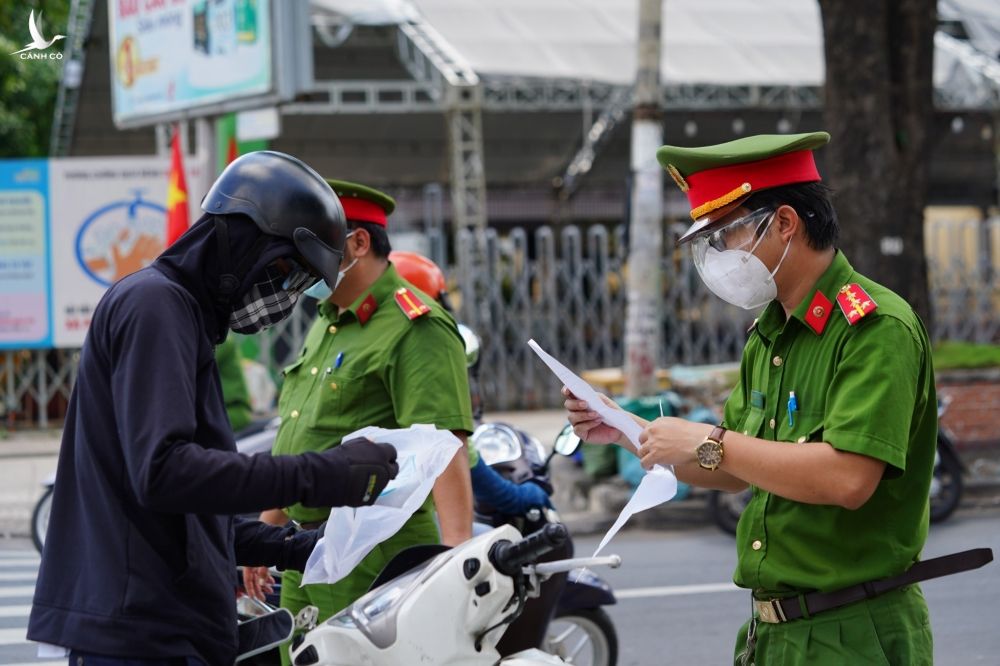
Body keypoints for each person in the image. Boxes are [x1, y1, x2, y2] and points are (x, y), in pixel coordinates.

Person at [564, 132, 940, 664]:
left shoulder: (874, 329)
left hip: (854, 632)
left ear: (785, 223)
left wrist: (710, 439)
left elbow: (849, 479)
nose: (718, 257)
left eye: (728, 234)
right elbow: (735, 469)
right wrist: (627, 429)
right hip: (773, 634)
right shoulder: (769, 334)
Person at [27, 151, 400, 666]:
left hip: (162, 628)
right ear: (246, 241)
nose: (285, 297)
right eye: (287, 271)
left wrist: (291, 547)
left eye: (299, 286)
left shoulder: (178, 315)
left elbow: (180, 514)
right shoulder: (156, 307)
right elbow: (163, 472)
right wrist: (325, 473)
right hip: (142, 638)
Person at [242, 181, 475, 660]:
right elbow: (299, 437)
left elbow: (443, 446)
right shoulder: (328, 318)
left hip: (373, 556)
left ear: (357, 243)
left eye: (310, 245)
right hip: (305, 552)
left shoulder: (416, 325)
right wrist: (267, 536)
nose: (298, 261)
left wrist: (454, 563)